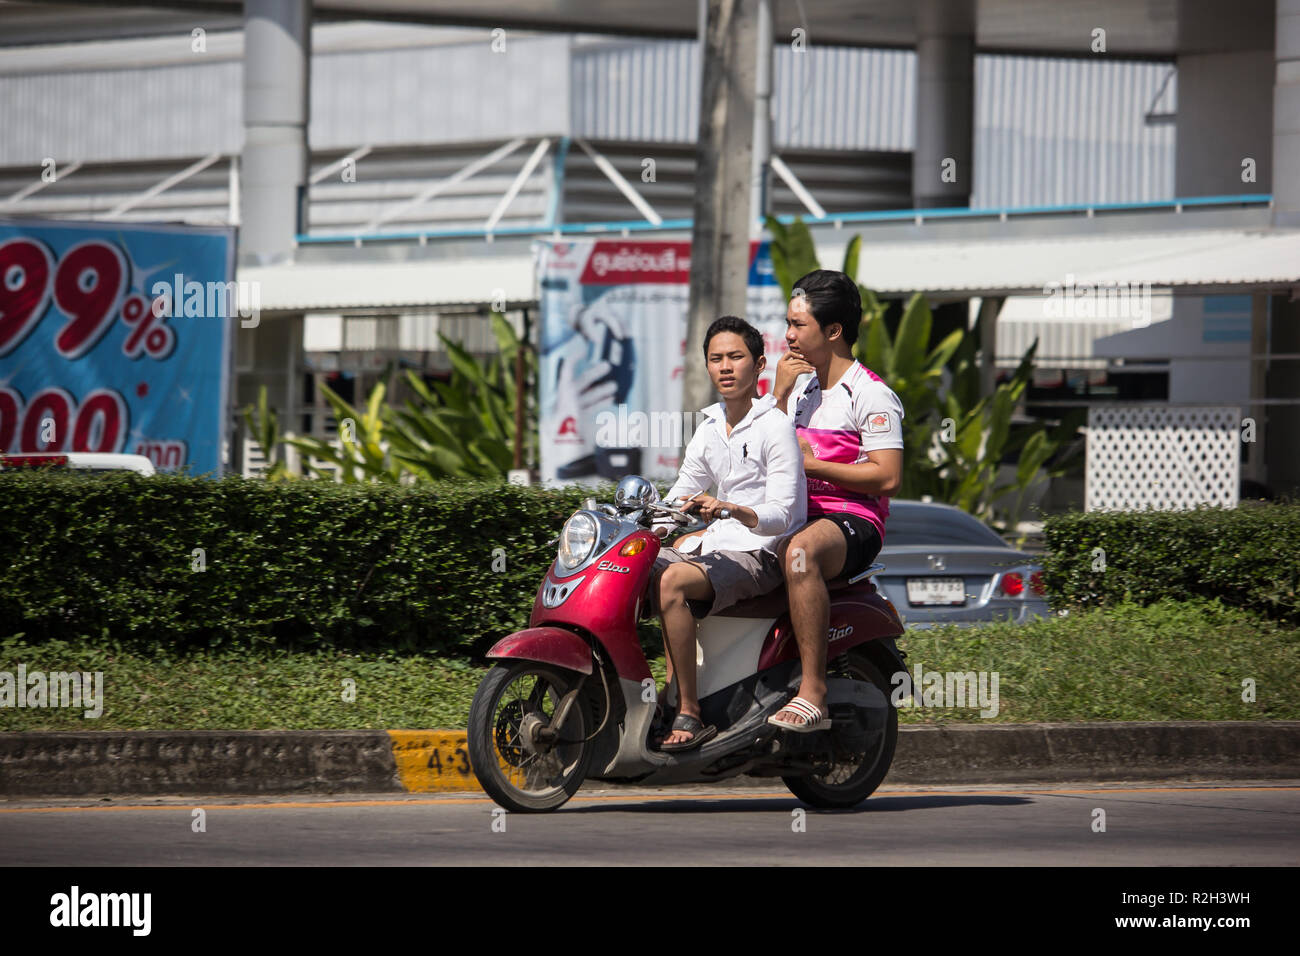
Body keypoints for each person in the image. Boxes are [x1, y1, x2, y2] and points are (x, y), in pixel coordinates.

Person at [651, 315, 806, 750]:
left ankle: (688, 710)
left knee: (671, 580)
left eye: (735, 357)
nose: (725, 366)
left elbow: (783, 513)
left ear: (759, 366)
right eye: (716, 358)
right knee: (635, 568)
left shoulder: (775, 426)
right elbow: (679, 496)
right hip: (716, 548)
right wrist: (641, 525)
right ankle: (657, 693)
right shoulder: (708, 429)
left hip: (760, 553)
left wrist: (732, 509)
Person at [769, 270, 904, 731]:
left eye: (798, 326)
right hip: (796, 514)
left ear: (833, 332)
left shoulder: (871, 393)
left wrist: (815, 466)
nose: (788, 336)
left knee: (801, 556)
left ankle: (813, 692)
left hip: (852, 520)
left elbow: (887, 477)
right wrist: (778, 394)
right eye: (787, 323)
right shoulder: (801, 390)